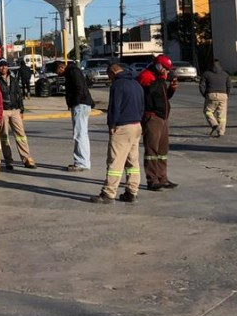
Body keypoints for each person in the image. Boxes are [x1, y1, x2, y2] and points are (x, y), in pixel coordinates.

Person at [90, 63, 143, 204]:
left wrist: (112, 125)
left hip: (122, 127)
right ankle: (132, 192)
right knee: (133, 161)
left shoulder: (118, 85)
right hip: (136, 125)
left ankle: (108, 193)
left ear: (113, 71)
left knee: (115, 161)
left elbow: (114, 107)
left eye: (109, 75)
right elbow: (142, 105)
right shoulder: (136, 84)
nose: (110, 78)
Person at [138, 55, 178, 191]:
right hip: (152, 117)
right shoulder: (146, 76)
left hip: (163, 117)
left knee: (162, 150)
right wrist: (161, 79)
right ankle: (152, 179)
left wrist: (171, 89)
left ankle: (162, 177)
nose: (167, 72)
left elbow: (162, 97)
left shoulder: (159, 79)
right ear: (159, 66)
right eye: (166, 69)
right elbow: (150, 93)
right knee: (151, 150)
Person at [0, 58, 35, 169]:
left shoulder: (13, 78)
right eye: (1, 65)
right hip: (2, 111)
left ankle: (26, 159)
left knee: (21, 135)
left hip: (15, 110)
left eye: (5, 65)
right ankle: (8, 161)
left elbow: (18, 94)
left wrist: (21, 109)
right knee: (4, 136)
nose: (4, 67)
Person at [58, 60, 95, 172]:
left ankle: (81, 162)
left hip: (80, 105)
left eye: (57, 71)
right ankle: (83, 161)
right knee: (82, 133)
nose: (58, 74)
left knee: (79, 134)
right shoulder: (73, 71)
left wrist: (75, 101)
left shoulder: (72, 72)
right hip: (82, 104)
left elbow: (79, 88)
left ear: (61, 67)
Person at [199, 58, 231, 137]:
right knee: (222, 115)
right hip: (223, 95)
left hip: (211, 95)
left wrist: (205, 95)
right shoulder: (225, 74)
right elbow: (229, 86)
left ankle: (214, 124)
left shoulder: (206, 74)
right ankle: (221, 131)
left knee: (208, 111)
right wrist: (227, 95)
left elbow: (201, 86)